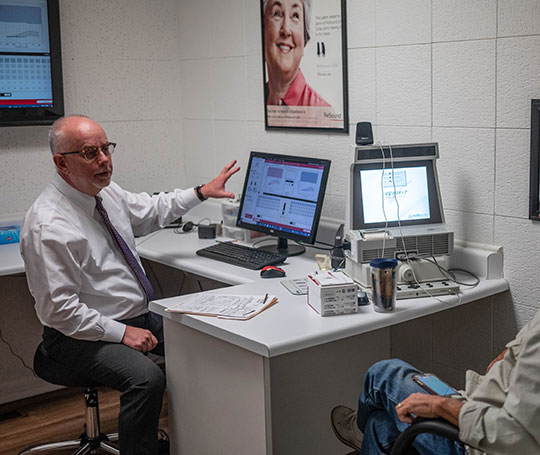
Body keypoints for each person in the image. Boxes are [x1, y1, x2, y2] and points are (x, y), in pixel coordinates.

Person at [20, 115, 240, 455]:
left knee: (205, 339)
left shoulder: (104, 193)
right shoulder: (49, 225)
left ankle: (209, 438)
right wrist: (122, 334)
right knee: (146, 379)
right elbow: (61, 313)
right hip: (75, 336)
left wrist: (200, 193)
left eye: (106, 149)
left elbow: (151, 210)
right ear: (61, 163)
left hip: (135, 316)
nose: (105, 160)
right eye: (90, 153)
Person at [330, 307, 540, 455]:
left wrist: (443, 406)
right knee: (380, 426)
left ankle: (358, 430)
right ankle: (364, 434)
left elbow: (516, 438)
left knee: (384, 374)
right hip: (483, 409)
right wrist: (510, 355)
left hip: (475, 442)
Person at [263, 0, 332, 107]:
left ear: (305, 37)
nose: (286, 30)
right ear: (264, 30)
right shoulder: (255, 99)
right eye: (277, 14)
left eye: (295, 16)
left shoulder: (323, 116)